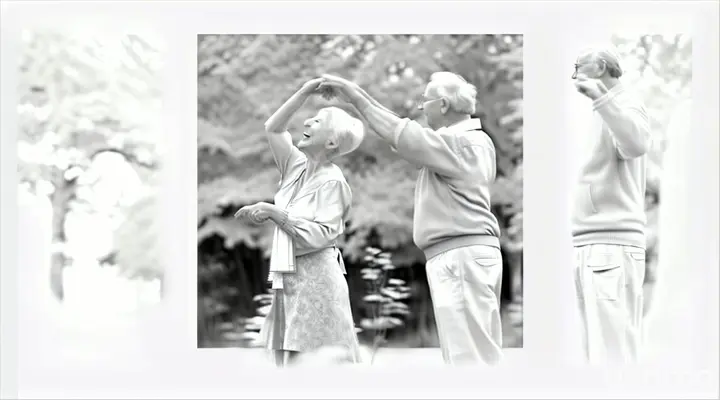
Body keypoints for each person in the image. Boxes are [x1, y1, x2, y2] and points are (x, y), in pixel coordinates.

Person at [319, 72, 504, 366]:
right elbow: (405, 135)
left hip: (460, 258)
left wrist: (353, 95)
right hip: (462, 256)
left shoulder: (462, 143)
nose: (420, 107)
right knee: (470, 356)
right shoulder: (458, 144)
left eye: (425, 101)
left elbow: (400, 132)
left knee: (469, 360)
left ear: (443, 105)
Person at [234, 77, 364, 367]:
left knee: (320, 366)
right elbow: (273, 127)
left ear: (331, 141)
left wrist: (273, 211)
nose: (307, 123)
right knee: (289, 366)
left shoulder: (333, 182)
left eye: (317, 121)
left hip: (317, 278)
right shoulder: (295, 165)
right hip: (288, 277)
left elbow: (320, 235)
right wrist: (305, 91)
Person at [570, 45, 652, 364]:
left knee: (614, 354)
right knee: (597, 356)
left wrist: (601, 98)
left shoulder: (623, 103)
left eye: (578, 66)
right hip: (591, 243)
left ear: (602, 67)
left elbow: (637, 144)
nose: (573, 75)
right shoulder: (600, 111)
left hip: (611, 245)